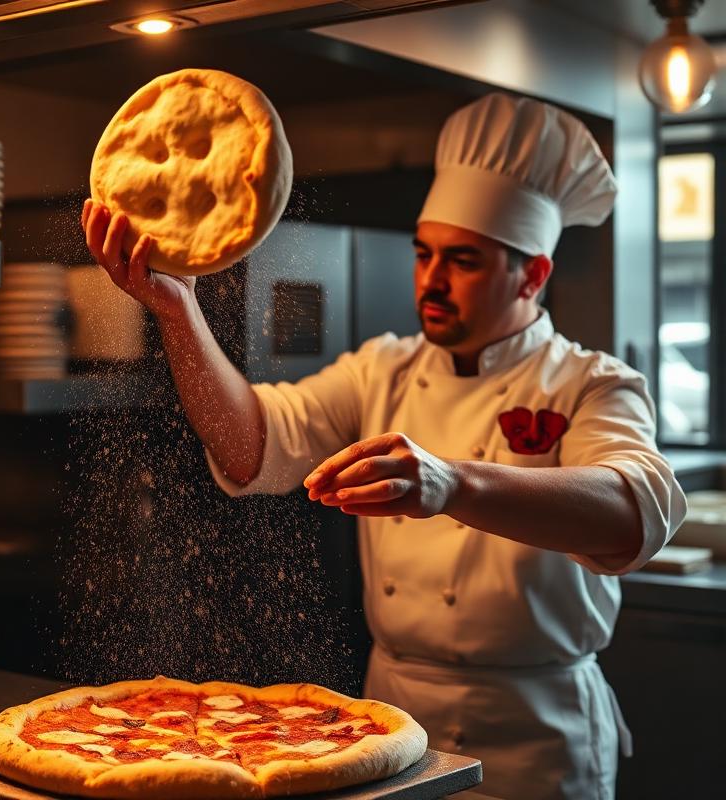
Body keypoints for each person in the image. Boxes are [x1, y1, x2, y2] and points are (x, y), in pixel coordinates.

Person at [82, 92, 686, 800]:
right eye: (424, 255)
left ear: (533, 275)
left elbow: (635, 513)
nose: (431, 280)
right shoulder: (383, 369)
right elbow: (250, 443)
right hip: (392, 720)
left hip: (539, 735)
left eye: (462, 261)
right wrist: (177, 310)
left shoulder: (594, 383)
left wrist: (451, 484)